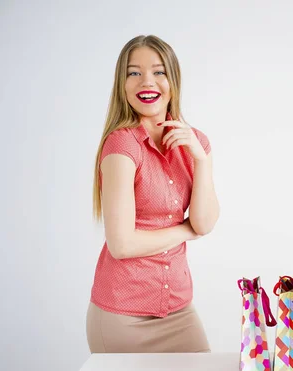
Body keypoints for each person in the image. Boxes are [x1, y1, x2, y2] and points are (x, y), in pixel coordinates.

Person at [86, 35, 219, 353]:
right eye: (134, 72)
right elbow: (122, 244)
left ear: (173, 80)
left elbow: (205, 221)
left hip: (179, 311)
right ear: (122, 84)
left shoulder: (195, 141)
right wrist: (185, 230)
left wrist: (201, 159)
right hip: (123, 318)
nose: (147, 81)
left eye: (158, 71)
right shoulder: (121, 145)